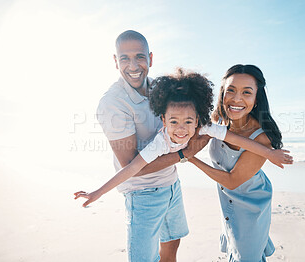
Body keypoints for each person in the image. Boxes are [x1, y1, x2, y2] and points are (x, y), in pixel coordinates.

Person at [74, 69, 292, 208]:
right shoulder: (160, 143)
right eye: (173, 122)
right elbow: (131, 169)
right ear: (163, 119)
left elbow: (239, 139)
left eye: (188, 121)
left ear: (197, 119)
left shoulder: (205, 126)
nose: (181, 129)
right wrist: (98, 192)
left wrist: (270, 153)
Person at [78, 30, 209, 262]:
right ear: (115, 61)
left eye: (139, 56)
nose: (133, 65)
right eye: (124, 58)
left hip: (171, 184)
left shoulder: (161, 88)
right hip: (142, 194)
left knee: (171, 247)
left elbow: (191, 116)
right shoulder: (112, 104)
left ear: (150, 58)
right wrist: (184, 154)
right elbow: (130, 164)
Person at [188, 64, 289, 261]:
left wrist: (191, 160)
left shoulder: (262, 138)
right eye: (231, 91)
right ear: (223, 93)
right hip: (228, 203)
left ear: (257, 98)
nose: (236, 99)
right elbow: (195, 137)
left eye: (246, 92)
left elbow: (232, 181)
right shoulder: (220, 119)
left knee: (247, 257)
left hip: (251, 204)